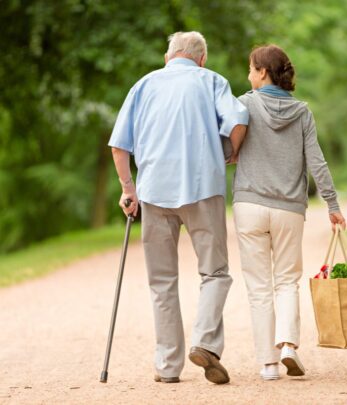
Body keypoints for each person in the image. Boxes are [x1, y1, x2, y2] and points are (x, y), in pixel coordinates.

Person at [108, 31, 248, 384]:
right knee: (215, 273)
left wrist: (129, 189)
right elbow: (238, 121)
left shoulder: (143, 85)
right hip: (203, 188)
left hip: (154, 191)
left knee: (161, 282)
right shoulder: (212, 81)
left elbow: (119, 146)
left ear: (168, 57)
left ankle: (168, 366)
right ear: (201, 58)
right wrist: (229, 154)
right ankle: (204, 342)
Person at [232, 44, 346, 381]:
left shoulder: (244, 105)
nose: (249, 75)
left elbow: (228, 147)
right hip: (288, 210)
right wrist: (332, 205)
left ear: (263, 72)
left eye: (252, 69)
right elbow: (317, 163)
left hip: (250, 205)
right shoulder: (303, 112)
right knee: (286, 282)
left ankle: (267, 364)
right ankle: (289, 347)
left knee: (258, 287)